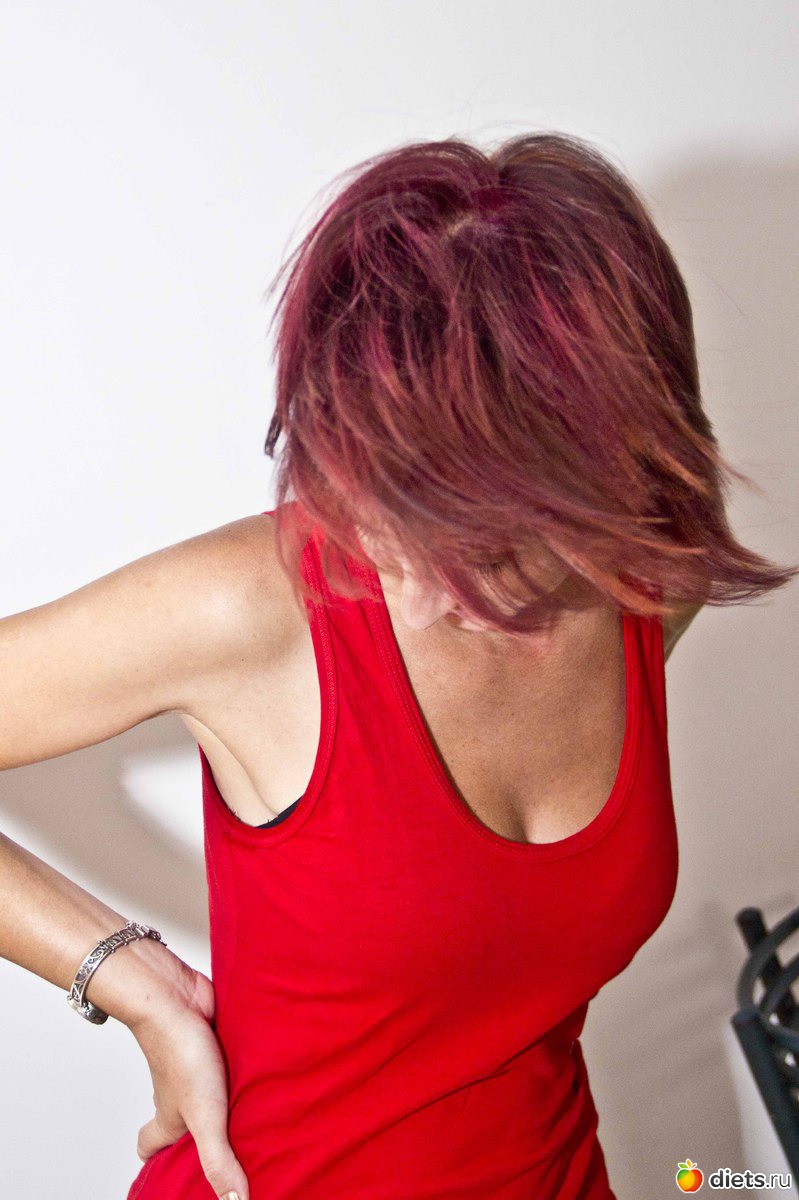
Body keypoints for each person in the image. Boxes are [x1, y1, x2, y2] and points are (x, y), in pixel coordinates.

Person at [1, 131, 796, 1200]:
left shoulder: (646, 593)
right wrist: (120, 972)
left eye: (477, 539)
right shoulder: (248, 606)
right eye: (376, 504)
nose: (410, 592)